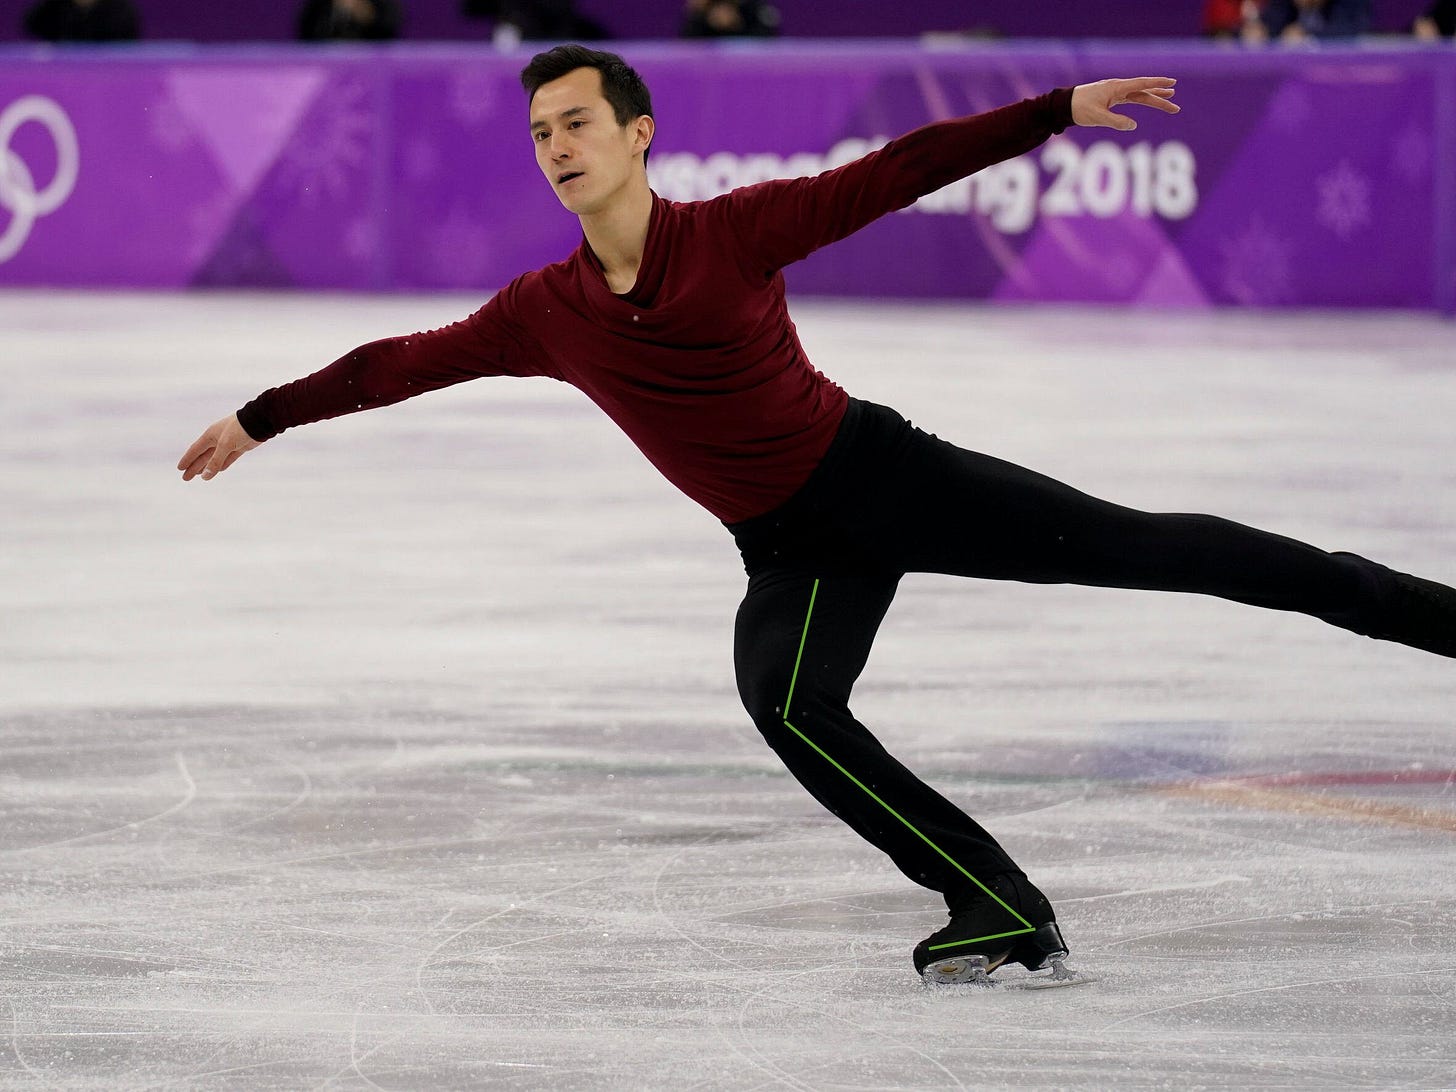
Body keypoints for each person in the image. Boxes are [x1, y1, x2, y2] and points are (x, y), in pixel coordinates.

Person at [178, 45, 1456, 986]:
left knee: (1154, 549)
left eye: (578, 123)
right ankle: (995, 900)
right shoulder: (542, 312)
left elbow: (897, 171)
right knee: (787, 701)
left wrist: (1054, 111)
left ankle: (1430, 618)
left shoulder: (735, 233)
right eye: (539, 133)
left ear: (638, 134)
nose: (557, 146)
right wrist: (263, 416)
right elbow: (399, 363)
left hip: (884, 477)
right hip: (789, 547)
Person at [1245, 0, 1370, 41]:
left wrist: (1308, 36)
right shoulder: (1284, 4)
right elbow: (1270, 23)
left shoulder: (1349, 4)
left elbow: (1352, 30)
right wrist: (1259, 30)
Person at [22, 0, 140, 42]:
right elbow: (32, 25)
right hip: (63, 72)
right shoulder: (54, 6)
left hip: (106, 73)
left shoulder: (120, 9)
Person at [297, 0, 403, 41]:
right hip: (328, 63)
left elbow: (389, 31)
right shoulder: (320, 4)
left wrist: (367, 15)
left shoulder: (381, 4)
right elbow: (306, 34)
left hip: (369, 63)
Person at [681, 0, 780, 39]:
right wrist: (699, 15)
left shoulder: (753, 9)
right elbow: (687, 45)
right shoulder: (703, 10)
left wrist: (736, 26)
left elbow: (769, 41)